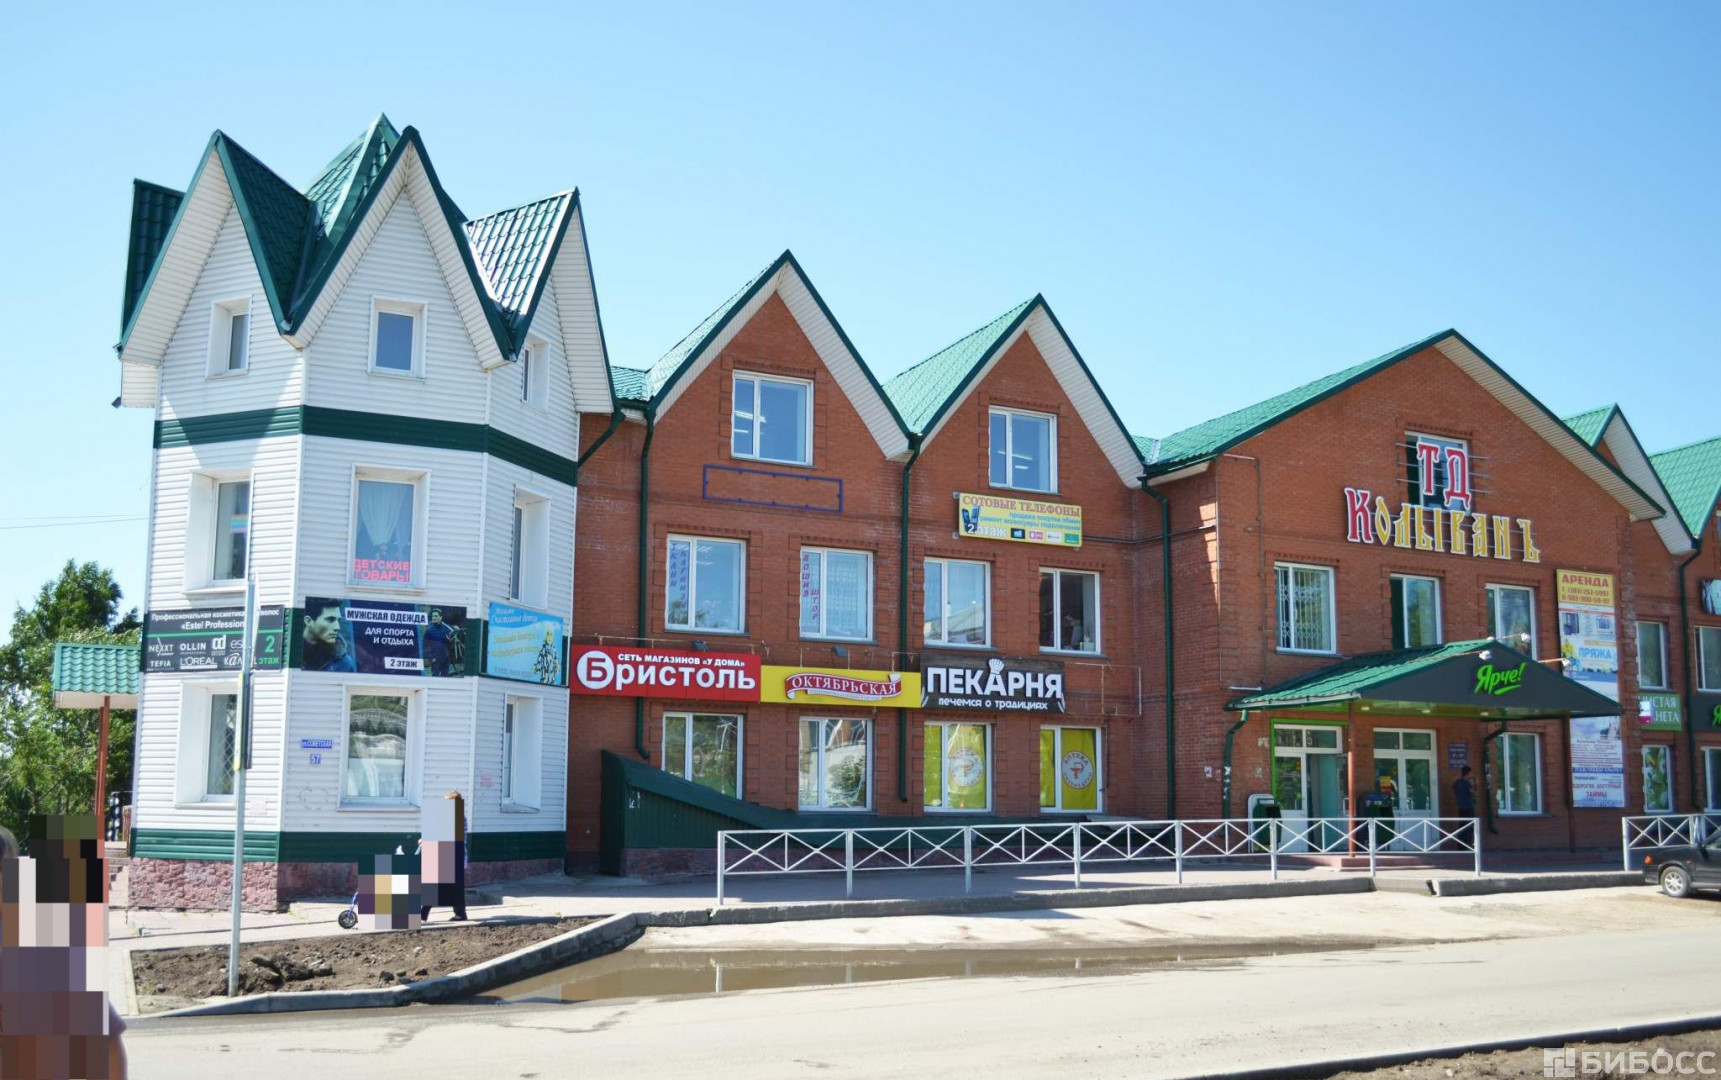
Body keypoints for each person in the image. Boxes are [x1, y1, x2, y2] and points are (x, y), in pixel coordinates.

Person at [302, 601, 356, 672]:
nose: (337, 627)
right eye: (330, 620)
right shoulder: (291, 652)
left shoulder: (344, 663)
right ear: (308, 621)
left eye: (338, 620)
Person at [423, 609, 459, 677]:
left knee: (445, 677)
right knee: (435, 677)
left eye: (436, 616)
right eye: (433, 616)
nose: (434, 618)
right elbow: (425, 646)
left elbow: (455, 635)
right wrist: (430, 658)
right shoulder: (429, 630)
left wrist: (457, 630)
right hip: (435, 659)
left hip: (446, 658)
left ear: (441, 617)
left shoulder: (447, 628)